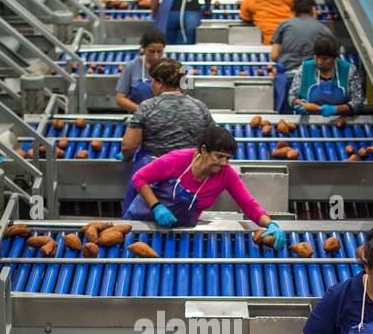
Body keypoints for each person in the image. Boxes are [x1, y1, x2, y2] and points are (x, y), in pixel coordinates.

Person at [125, 124, 288, 244]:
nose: (224, 163)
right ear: (203, 150)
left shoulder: (226, 174)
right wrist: (156, 207)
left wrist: (271, 223)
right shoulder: (176, 160)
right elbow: (139, 178)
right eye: (219, 156)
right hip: (143, 224)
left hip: (180, 232)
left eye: (228, 158)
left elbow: (249, 206)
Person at [120, 58, 212, 212]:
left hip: (152, 181)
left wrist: (126, 156)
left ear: (160, 83)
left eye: (152, 81)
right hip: (188, 180)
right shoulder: (200, 107)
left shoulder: (148, 107)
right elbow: (211, 143)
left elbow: (129, 145)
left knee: (141, 228)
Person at [270, 0, 337, 111]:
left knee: (287, 121)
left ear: (294, 11)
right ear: (313, 10)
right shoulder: (323, 29)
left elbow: (274, 56)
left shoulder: (285, 25)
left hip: (289, 79)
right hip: (314, 80)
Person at [289, 35, 363, 118]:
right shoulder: (305, 68)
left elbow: (358, 102)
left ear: (335, 58)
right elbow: (292, 96)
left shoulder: (349, 70)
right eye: (316, 57)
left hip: (339, 121)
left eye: (325, 59)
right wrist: (298, 103)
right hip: (308, 122)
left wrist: (335, 109)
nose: (319, 62)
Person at [115, 28, 166, 113]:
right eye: (152, 51)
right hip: (140, 118)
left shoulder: (171, 67)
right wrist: (142, 110)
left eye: (159, 51)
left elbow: (185, 89)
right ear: (143, 48)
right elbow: (120, 99)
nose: (156, 56)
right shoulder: (131, 67)